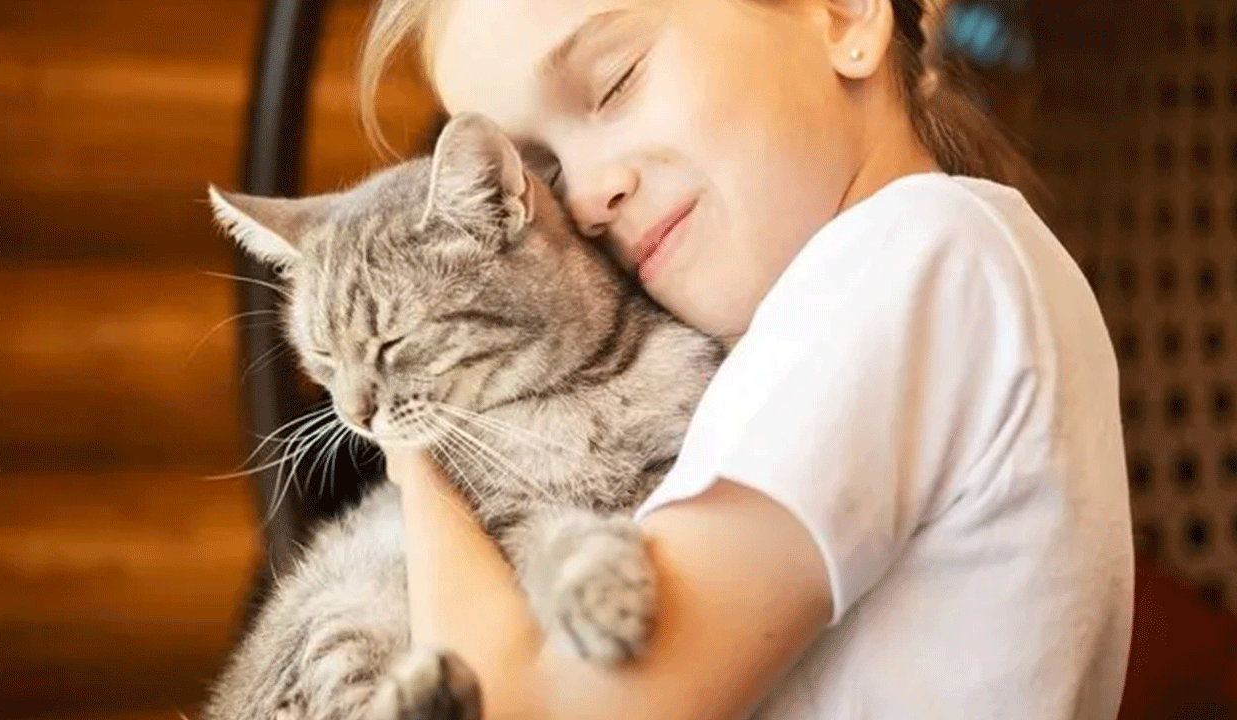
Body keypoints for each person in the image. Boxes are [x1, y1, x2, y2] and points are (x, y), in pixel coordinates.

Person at [362, 1, 1135, 719]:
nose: (590, 195)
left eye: (616, 82)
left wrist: (413, 446)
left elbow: (529, 704)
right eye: (544, 171)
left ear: (841, 13)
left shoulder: (913, 255)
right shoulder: (907, 278)